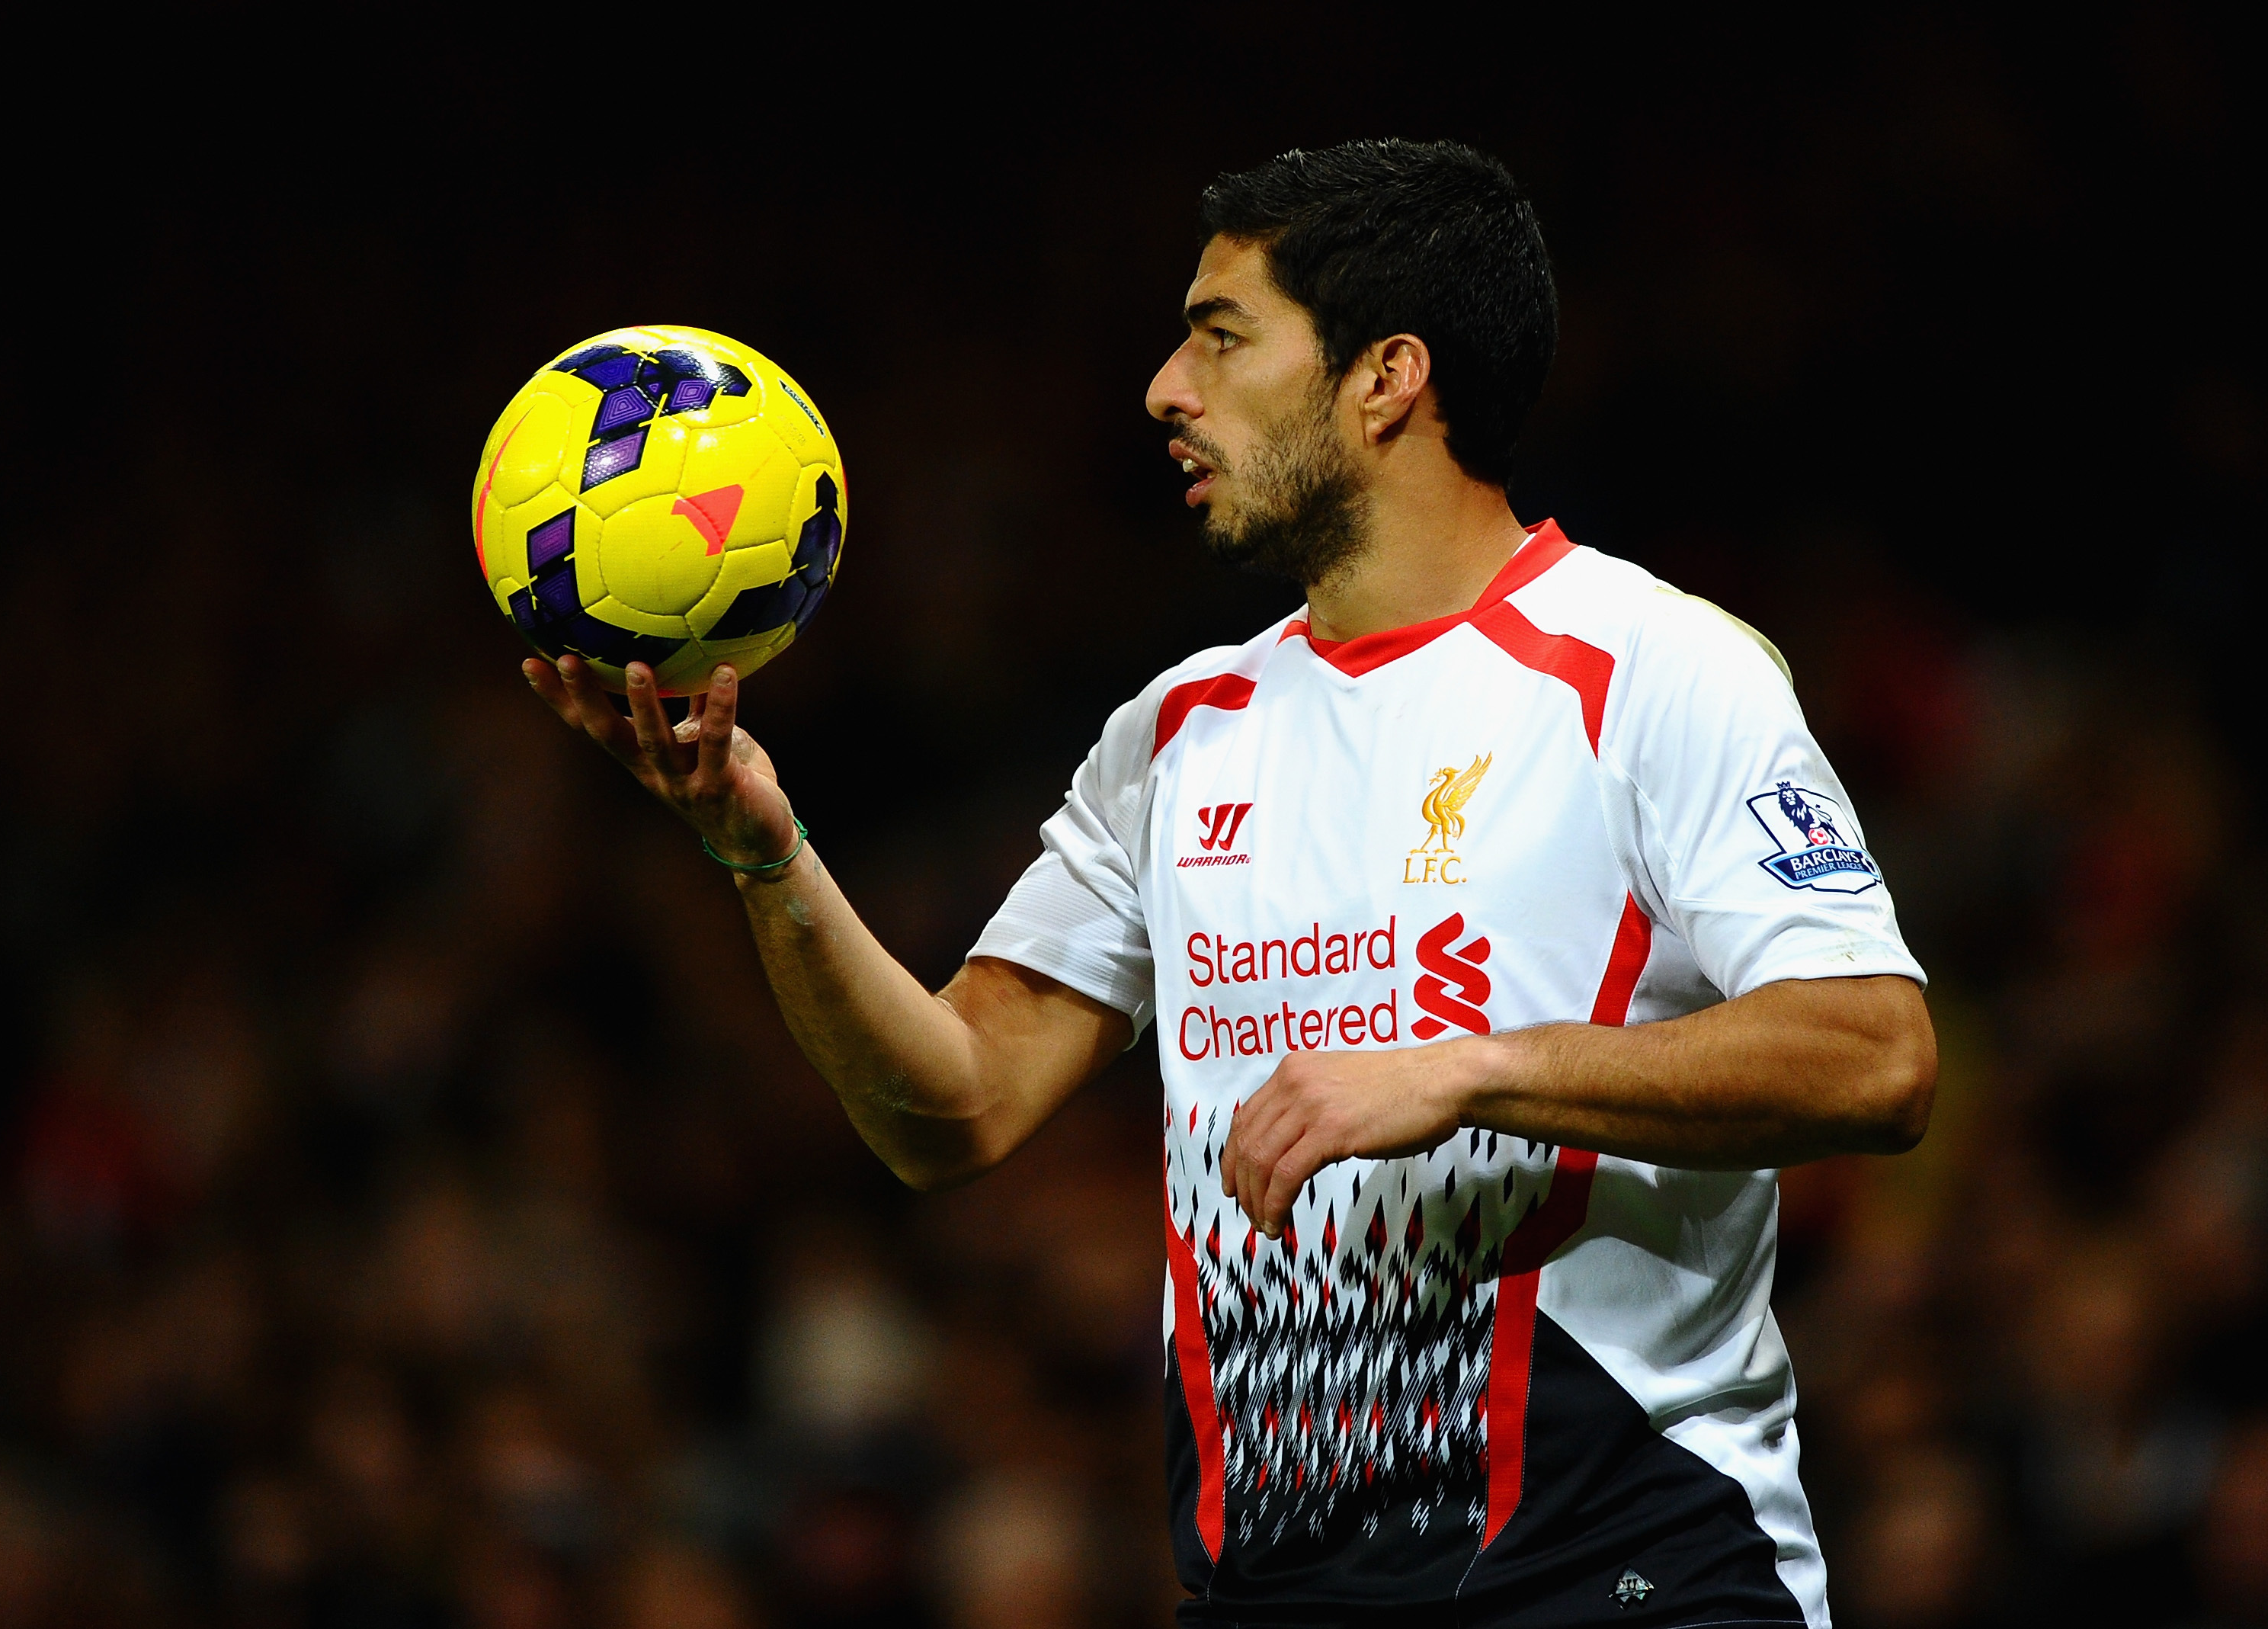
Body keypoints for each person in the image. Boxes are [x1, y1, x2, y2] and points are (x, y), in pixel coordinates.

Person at [523, 138, 1936, 1629]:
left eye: (1219, 336)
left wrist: (1469, 1071)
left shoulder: (1652, 671)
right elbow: (954, 1102)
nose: (1164, 390)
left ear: (1385, 376)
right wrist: (766, 853)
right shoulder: (1175, 735)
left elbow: (1874, 1050)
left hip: (1629, 1574)